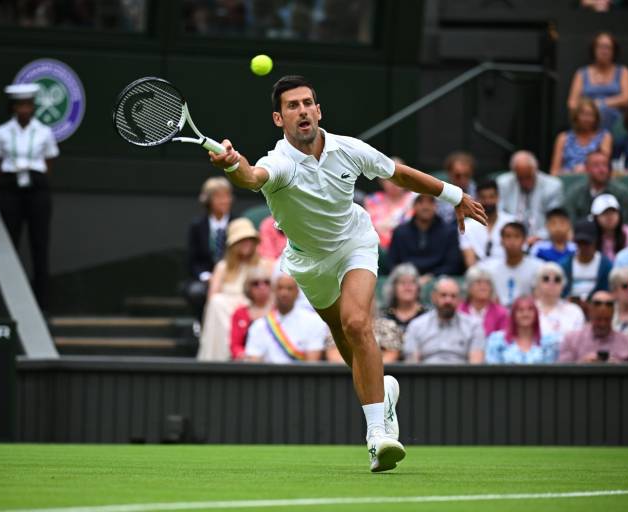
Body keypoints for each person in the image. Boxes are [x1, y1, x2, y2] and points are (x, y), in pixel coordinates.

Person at [208, 75, 486, 472]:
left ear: (318, 110)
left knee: (357, 323)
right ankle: (383, 394)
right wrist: (234, 164)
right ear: (278, 118)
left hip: (355, 243)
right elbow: (252, 177)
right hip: (309, 263)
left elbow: (398, 174)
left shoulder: (349, 149)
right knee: (344, 340)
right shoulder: (279, 162)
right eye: (292, 106)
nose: (302, 110)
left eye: (307, 103)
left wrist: (454, 195)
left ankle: (377, 436)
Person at [0, 83, 59, 309]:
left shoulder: (44, 131)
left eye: (28, 105)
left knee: (40, 244)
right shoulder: (2, 132)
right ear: (13, 107)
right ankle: (9, 299)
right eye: (20, 105)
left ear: (33, 107)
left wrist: (37, 177)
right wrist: (7, 179)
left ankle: (41, 302)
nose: (24, 110)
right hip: (11, 188)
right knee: (9, 243)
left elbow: (49, 160)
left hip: (37, 188)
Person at [197, 218, 260, 361]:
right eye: (242, 240)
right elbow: (212, 297)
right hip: (225, 314)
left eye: (250, 239)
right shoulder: (222, 267)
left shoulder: (263, 265)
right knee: (216, 302)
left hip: (251, 312)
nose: (247, 243)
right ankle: (221, 356)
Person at [244, 273, 328, 363]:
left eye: (289, 288)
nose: (284, 293)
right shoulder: (259, 326)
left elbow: (311, 364)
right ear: (273, 291)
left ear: (297, 292)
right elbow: (254, 362)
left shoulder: (314, 321)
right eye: (280, 288)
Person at [185, 177, 235, 323]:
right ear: (208, 200)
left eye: (227, 196)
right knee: (196, 291)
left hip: (232, 276)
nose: (224, 201)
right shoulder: (197, 226)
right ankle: (202, 324)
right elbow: (192, 260)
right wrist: (206, 276)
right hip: (205, 279)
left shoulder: (237, 223)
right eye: (218, 197)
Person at [404, 277, 485, 364]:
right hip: (426, 371)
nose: (448, 300)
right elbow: (412, 364)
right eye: (443, 295)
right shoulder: (416, 325)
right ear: (434, 297)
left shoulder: (474, 326)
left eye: (453, 296)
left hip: (462, 372)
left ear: (459, 300)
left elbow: (476, 365)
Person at [566, 31, 628, 133]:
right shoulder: (581, 73)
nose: (604, 51)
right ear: (594, 49)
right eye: (600, 47)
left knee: (604, 111)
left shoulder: (623, 71)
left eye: (608, 47)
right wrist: (586, 112)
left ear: (614, 51)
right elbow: (572, 103)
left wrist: (600, 104)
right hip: (586, 120)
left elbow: (626, 99)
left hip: (615, 122)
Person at [387, 194, 463, 280]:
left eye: (430, 201)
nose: (425, 206)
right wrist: (409, 278)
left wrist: (432, 276)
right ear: (413, 205)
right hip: (406, 280)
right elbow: (392, 263)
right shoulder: (400, 232)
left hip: (440, 280)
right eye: (420, 202)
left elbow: (453, 264)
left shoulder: (449, 232)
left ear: (436, 206)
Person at [497, 150, 563, 241]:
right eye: (520, 178)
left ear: (535, 170)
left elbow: (555, 220)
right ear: (514, 173)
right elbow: (499, 214)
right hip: (509, 240)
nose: (525, 182)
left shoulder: (553, 186)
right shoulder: (503, 184)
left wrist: (539, 237)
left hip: (541, 240)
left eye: (528, 177)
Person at [558, 290, 628, 362]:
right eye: (597, 304)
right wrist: (582, 365)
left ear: (613, 311)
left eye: (608, 304)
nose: (603, 308)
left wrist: (618, 368)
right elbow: (562, 371)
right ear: (590, 309)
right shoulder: (571, 340)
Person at [479, 222, 542, 307]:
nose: (512, 241)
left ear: (524, 240)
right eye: (508, 236)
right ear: (501, 241)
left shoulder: (538, 268)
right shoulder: (489, 268)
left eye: (517, 236)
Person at [564, 151, 628, 225]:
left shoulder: (622, 193)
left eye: (605, 165)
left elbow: (627, 223)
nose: (602, 170)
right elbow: (570, 223)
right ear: (587, 168)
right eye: (596, 165)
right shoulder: (575, 193)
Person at [485, 296, 560, 364]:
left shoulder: (548, 342)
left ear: (536, 314)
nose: (525, 314)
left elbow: (550, 370)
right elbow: (492, 369)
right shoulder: (497, 340)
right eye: (520, 310)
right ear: (513, 315)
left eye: (530, 309)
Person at [460, 180, 515, 268]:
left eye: (491, 197)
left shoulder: (512, 222)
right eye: (483, 197)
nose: (488, 201)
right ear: (476, 199)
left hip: (508, 270)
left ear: (498, 197)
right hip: (480, 273)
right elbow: (470, 263)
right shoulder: (466, 226)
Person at [363, 157, 415, 250]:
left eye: (399, 176)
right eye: (389, 177)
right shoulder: (372, 200)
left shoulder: (415, 199)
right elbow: (371, 230)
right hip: (377, 250)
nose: (394, 182)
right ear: (381, 179)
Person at [550, 98, 612, 175]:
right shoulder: (563, 138)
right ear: (576, 117)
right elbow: (554, 171)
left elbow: (603, 166)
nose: (587, 119)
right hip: (567, 177)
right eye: (583, 115)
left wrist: (585, 169)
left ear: (596, 118)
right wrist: (569, 173)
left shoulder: (604, 136)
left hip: (593, 177)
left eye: (590, 115)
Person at [561, 219, 612, 301]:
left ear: (595, 241)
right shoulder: (564, 265)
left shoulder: (606, 266)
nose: (583, 247)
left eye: (587, 243)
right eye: (580, 242)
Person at [534, 262, 586, 341]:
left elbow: (578, 341)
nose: (551, 282)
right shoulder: (529, 310)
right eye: (546, 279)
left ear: (563, 285)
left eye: (557, 279)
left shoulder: (574, 311)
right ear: (538, 284)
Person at [229, 267, 273, 360]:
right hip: (248, 362)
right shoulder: (239, 313)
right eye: (256, 284)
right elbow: (235, 346)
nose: (262, 287)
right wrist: (245, 357)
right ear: (248, 288)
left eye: (266, 283)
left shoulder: (277, 311)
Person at [458, 266, 508, 337]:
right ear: (469, 287)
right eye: (478, 282)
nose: (483, 286)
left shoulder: (501, 313)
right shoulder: (459, 310)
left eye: (487, 283)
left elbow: (503, 338)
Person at [591, 193, 628, 261]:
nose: (610, 216)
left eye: (613, 212)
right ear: (595, 217)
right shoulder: (589, 237)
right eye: (604, 213)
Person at [436, 151, 478, 225]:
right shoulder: (438, 192)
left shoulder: (479, 193)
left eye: (466, 175)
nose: (462, 180)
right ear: (449, 174)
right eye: (458, 176)